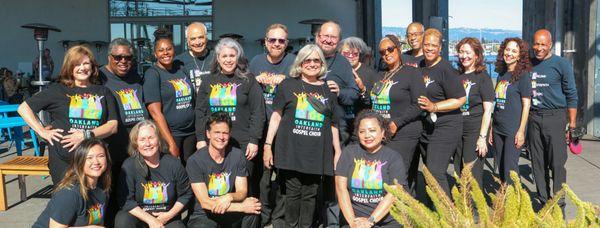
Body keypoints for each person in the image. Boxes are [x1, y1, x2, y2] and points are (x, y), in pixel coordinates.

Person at [263, 44, 343, 227]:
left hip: (317, 152)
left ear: (322, 63)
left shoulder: (328, 90)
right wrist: (268, 146)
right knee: (292, 194)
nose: (312, 63)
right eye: (308, 59)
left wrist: (337, 151)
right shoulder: (287, 85)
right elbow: (276, 116)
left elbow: (333, 124)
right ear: (300, 62)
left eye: (316, 60)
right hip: (291, 151)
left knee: (310, 195)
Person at [18, 45, 118, 184]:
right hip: (64, 163)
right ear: (69, 67)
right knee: (66, 202)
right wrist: (42, 132)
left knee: (96, 204)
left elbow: (113, 126)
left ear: (92, 66)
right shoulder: (57, 90)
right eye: (77, 64)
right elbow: (24, 108)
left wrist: (86, 134)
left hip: (95, 162)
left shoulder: (103, 92)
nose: (82, 68)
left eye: (86, 63)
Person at [195, 37, 266, 199]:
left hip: (243, 143)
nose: (228, 60)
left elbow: (258, 111)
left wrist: (254, 140)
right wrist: (200, 138)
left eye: (232, 56)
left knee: (245, 183)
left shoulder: (248, 80)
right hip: (215, 142)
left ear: (238, 57)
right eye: (224, 56)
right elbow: (200, 112)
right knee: (218, 183)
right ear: (218, 59)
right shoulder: (208, 81)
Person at [248, 23, 296, 227]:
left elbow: (303, 86)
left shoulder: (293, 62)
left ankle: (279, 217)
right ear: (265, 42)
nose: (276, 44)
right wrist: (254, 81)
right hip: (262, 127)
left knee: (285, 176)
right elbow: (247, 90)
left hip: (286, 129)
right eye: (272, 40)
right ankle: (263, 215)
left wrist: (285, 80)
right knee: (263, 177)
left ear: (287, 43)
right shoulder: (256, 61)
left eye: (281, 40)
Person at [99, 37, 149, 225]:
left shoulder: (136, 76)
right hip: (111, 150)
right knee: (110, 200)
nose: (123, 61)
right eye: (118, 57)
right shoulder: (100, 77)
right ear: (109, 57)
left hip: (134, 150)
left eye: (128, 58)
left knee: (131, 196)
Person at [315, 21, 358, 226]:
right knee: (311, 178)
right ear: (317, 37)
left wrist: (339, 92)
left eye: (333, 37)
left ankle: (332, 223)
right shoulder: (307, 57)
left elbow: (354, 94)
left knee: (334, 177)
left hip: (336, 129)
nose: (328, 40)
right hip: (308, 128)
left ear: (338, 41)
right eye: (325, 36)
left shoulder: (342, 63)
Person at [529, 29, 578, 211]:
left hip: (555, 118)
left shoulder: (561, 64)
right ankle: (544, 203)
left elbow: (572, 94)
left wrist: (571, 124)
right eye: (536, 43)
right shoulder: (528, 64)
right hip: (533, 119)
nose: (539, 48)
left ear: (550, 44)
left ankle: (559, 205)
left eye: (543, 44)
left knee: (557, 164)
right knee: (538, 164)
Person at [187, 112, 261, 228]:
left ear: (229, 134)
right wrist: (241, 207)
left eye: (225, 133)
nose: (221, 137)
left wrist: (229, 197)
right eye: (217, 132)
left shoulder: (238, 155)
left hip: (229, 208)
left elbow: (242, 192)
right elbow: (205, 202)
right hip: (205, 214)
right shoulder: (195, 161)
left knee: (253, 211)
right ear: (208, 134)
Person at [372, 35, 425, 197]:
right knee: (383, 176)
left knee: (397, 177)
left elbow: (419, 105)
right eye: (382, 52)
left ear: (398, 49)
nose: (386, 53)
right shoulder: (379, 75)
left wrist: (396, 123)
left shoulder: (412, 73)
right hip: (382, 133)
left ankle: (405, 218)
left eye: (390, 49)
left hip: (404, 132)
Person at [417, 28, 466, 197]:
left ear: (440, 48)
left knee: (435, 172)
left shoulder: (446, 69)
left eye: (433, 45)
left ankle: (448, 216)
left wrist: (434, 107)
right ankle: (433, 211)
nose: (429, 48)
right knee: (429, 173)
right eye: (426, 44)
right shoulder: (421, 66)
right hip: (427, 126)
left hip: (447, 125)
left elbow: (460, 99)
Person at [115, 120, 192, 228]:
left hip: (167, 216)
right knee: (123, 219)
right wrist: (151, 220)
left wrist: (168, 216)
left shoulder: (173, 164)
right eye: (142, 139)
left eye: (151, 138)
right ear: (136, 143)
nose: (147, 143)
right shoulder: (129, 165)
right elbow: (126, 200)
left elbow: (186, 194)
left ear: (159, 140)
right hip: (140, 217)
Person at [335, 110, 406, 228]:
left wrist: (370, 221)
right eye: (362, 131)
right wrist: (353, 222)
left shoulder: (394, 157)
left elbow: (394, 193)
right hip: (354, 220)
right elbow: (340, 188)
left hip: (385, 221)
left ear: (383, 132)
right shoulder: (349, 152)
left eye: (372, 130)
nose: (367, 135)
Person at [143, 28, 196, 163]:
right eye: (161, 50)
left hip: (190, 133)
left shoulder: (180, 69)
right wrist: (171, 143)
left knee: (190, 173)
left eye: (169, 49)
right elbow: (155, 113)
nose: (165, 53)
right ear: (155, 54)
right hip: (172, 135)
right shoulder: (153, 74)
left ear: (174, 50)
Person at [33, 139, 111, 228]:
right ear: (79, 162)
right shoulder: (70, 193)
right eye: (89, 158)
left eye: (101, 156)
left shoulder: (102, 186)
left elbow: (98, 221)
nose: (96, 162)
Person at [452, 37, 495, 189]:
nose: (464, 56)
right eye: (461, 52)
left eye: (468, 52)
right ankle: (462, 207)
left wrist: (482, 137)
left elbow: (488, 110)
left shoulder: (483, 77)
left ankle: (475, 209)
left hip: (474, 129)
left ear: (477, 55)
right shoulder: (456, 76)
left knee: (472, 173)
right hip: (457, 128)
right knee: (458, 170)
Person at [490, 37, 532, 183]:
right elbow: (496, 103)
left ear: (520, 56)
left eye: (514, 51)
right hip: (498, 127)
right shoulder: (501, 74)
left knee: (510, 169)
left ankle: (515, 201)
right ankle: (504, 199)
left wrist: (521, 131)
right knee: (500, 167)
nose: (509, 53)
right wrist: (491, 127)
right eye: (507, 49)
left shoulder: (523, 76)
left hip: (513, 129)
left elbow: (526, 105)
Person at [338, 36, 380, 115]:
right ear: (340, 53)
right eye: (346, 53)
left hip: (361, 120)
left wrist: (363, 89)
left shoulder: (370, 74)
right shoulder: (335, 70)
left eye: (355, 53)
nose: (350, 56)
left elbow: (374, 103)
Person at [175, 22, 213, 93]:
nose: (197, 42)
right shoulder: (179, 62)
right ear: (188, 41)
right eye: (193, 39)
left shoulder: (217, 57)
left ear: (206, 38)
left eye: (201, 37)